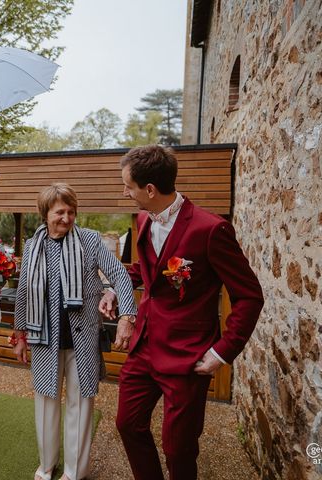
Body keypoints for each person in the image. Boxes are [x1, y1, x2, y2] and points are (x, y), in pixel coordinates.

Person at [100, 145, 264, 480]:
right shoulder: (144, 220)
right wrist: (114, 287)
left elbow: (250, 296)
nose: (124, 192)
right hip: (145, 345)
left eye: (128, 186)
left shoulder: (211, 229)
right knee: (128, 424)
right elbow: (147, 272)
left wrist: (222, 352)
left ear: (149, 189)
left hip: (188, 355)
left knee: (179, 447)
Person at [12, 183, 137, 480]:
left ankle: (74, 473)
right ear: (45, 214)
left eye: (71, 212)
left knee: (80, 407)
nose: (66, 218)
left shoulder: (91, 241)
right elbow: (23, 293)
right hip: (44, 338)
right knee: (45, 402)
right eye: (59, 212)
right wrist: (19, 335)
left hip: (82, 337)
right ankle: (47, 465)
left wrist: (127, 313)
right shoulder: (33, 245)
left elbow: (119, 274)